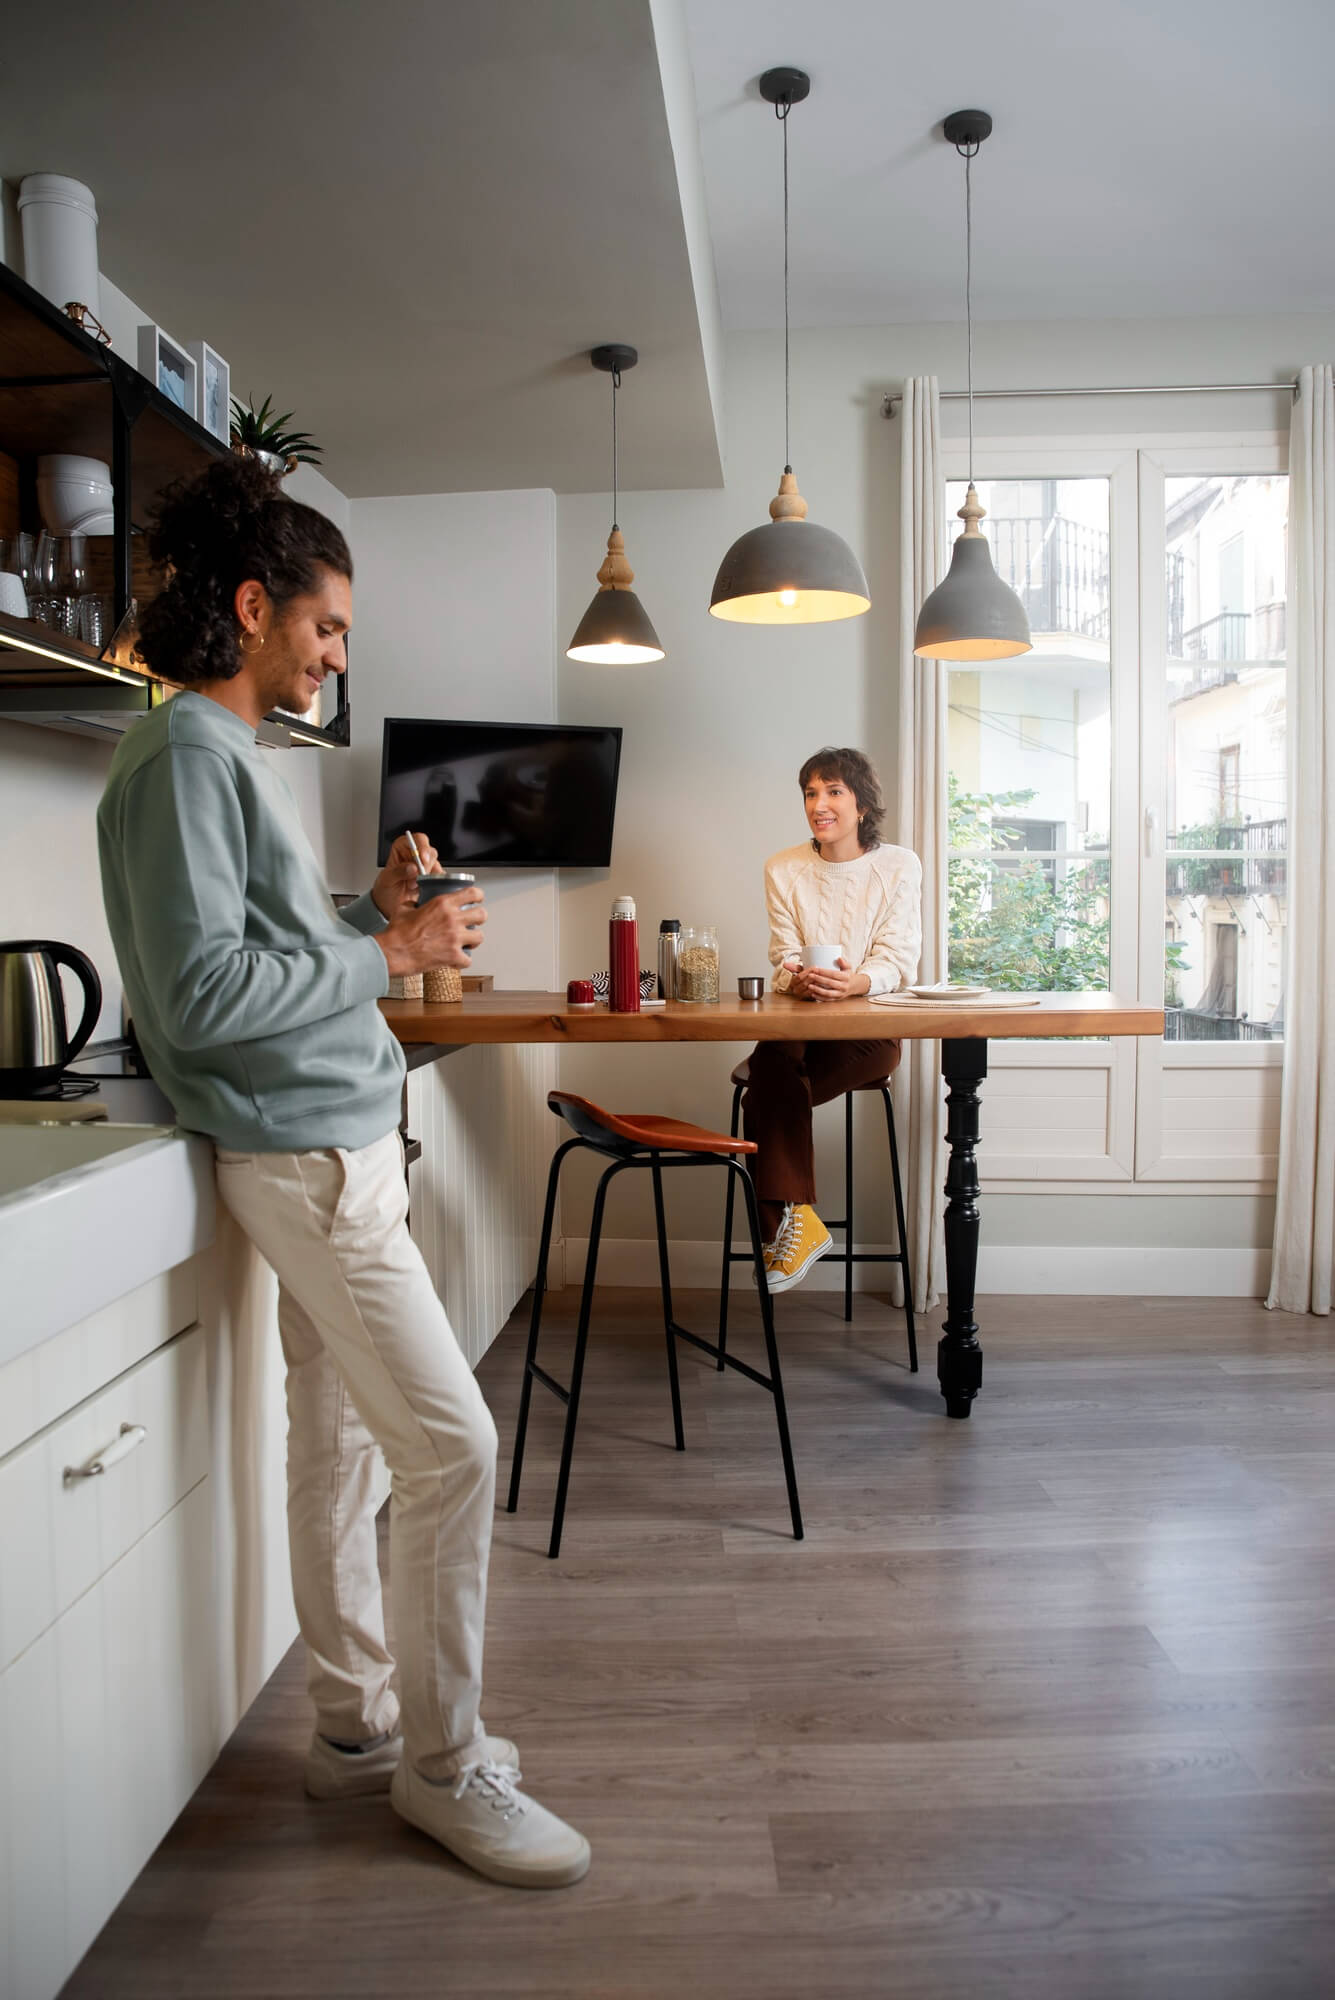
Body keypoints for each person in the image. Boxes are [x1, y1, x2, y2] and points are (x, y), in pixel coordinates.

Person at [96, 456, 589, 1890]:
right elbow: (196, 999)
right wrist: (391, 954)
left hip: (321, 1143)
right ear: (254, 609)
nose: (331, 656)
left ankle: (358, 1735)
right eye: (326, 630)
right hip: (309, 1156)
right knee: (457, 1449)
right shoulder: (191, 750)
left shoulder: (204, 751)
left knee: (343, 1450)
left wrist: (356, 908)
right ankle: (446, 1767)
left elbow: (246, 937)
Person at [744, 747, 922, 1292]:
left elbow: (899, 961)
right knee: (777, 1056)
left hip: (870, 1035)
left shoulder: (898, 866)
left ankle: (785, 1226)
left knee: (765, 1089)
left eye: (833, 791)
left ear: (862, 804)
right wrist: (795, 978)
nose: (819, 804)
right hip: (800, 1027)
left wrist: (857, 982)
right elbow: (782, 956)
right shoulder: (783, 867)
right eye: (810, 793)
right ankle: (794, 1225)